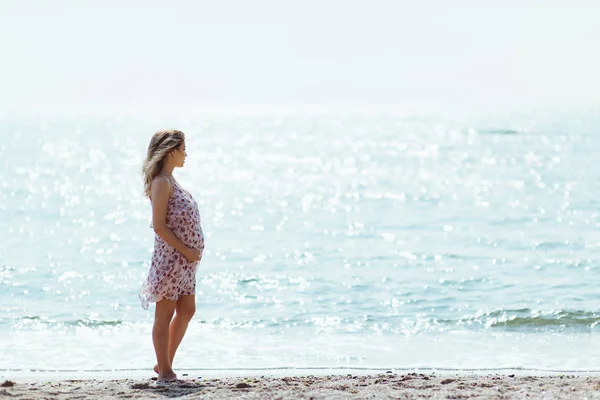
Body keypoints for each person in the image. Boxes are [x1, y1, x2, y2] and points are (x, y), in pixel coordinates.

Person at [139, 129, 204, 382]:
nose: (186, 154)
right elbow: (159, 225)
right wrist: (187, 250)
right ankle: (165, 371)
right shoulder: (161, 183)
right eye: (184, 148)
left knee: (187, 310)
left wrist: (191, 254)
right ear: (171, 150)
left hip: (185, 264)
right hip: (171, 261)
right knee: (163, 315)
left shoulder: (172, 181)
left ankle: (163, 362)